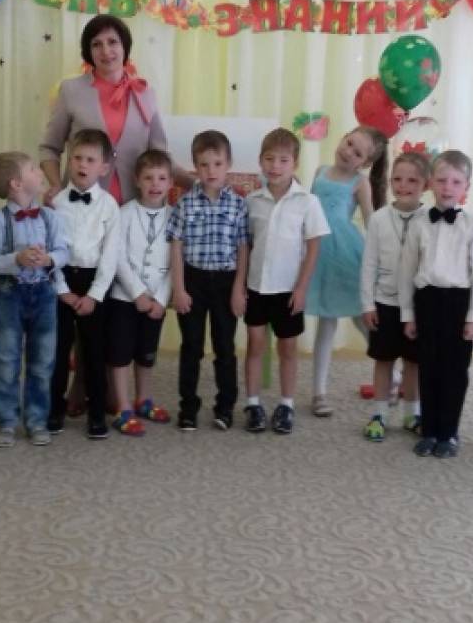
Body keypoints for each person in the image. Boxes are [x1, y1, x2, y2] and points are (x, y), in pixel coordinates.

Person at [401, 150, 473, 458]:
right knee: (428, 367)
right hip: (427, 301)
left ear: (466, 187)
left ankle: (449, 432)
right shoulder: (418, 224)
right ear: (430, 183)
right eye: (441, 180)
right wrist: (408, 314)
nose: (447, 187)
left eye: (455, 182)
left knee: (455, 371)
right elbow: (407, 272)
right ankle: (429, 430)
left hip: (458, 304)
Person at [242, 128, 330, 435]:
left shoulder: (308, 202)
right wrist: (240, 285)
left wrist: (302, 288)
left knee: (288, 348)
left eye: (283, 160)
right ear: (260, 161)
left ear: (295, 164)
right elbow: (246, 245)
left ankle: (286, 404)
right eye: (269, 159)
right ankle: (253, 403)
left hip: (288, 290)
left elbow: (314, 246)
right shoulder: (251, 200)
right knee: (255, 344)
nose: (275, 166)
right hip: (256, 286)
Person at [0, 152, 68, 448]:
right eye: (33, 169)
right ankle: (6, 420)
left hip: (44, 295)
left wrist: (49, 259)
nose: (40, 172)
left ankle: (36, 419)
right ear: (16, 184)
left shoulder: (49, 216)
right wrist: (16, 259)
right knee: (6, 359)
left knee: (42, 360)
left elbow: (64, 251)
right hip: (11, 296)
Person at [167, 130, 249, 432]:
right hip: (193, 280)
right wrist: (179, 288)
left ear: (228, 165)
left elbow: (243, 248)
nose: (211, 171)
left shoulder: (238, 205)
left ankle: (225, 408)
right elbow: (176, 247)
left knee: (224, 347)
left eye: (217, 164)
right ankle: (188, 408)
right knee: (191, 347)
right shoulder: (185, 204)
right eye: (203, 164)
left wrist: (238, 288)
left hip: (226, 282)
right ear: (195, 167)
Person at [40, 14, 168, 205]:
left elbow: (160, 155)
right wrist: (56, 185)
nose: (106, 51)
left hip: (134, 206)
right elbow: (49, 148)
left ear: (124, 46)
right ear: (88, 51)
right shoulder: (70, 90)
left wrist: (197, 181)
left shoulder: (145, 93)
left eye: (112, 42)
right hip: (80, 205)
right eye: (96, 44)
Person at [305, 126, 388, 417]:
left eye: (358, 153)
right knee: (326, 322)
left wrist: (381, 259)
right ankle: (319, 393)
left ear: (365, 163)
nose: (348, 152)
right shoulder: (320, 172)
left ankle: (391, 375)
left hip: (346, 258)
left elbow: (371, 222)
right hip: (318, 256)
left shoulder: (359, 182)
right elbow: (308, 210)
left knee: (363, 319)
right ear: (342, 138)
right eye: (349, 143)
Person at [48, 129, 121, 440]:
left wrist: (94, 295)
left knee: (94, 352)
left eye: (90, 160)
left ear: (103, 168)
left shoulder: (110, 206)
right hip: (62, 279)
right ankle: (54, 409)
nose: (82, 164)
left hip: (94, 282)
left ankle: (96, 414)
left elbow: (110, 256)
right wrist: (62, 289)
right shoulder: (55, 204)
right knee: (58, 350)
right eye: (77, 158)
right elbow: (50, 249)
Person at [107, 150, 177, 436]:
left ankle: (144, 399)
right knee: (120, 353)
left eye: (161, 178)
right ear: (137, 180)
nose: (155, 184)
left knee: (146, 353)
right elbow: (117, 256)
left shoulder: (175, 217)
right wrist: (137, 293)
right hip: (124, 298)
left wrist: (161, 298)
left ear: (171, 183)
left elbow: (176, 263)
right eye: (148, 178)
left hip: (156, 301)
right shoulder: (123, 213)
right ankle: (123, 407)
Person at [360, 152, 426, 442]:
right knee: (383, 360)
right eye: (397, 179)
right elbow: (368, 264)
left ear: (425, 184)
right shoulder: (378, 219)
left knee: (414, 362)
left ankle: (412, 413)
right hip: (385, 302)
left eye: (412, 180)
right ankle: (379, 414)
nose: (403, 185)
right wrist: (367, 303)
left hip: (417, 306)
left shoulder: (430, 219)